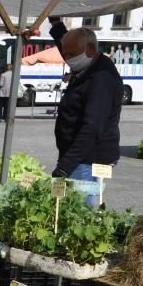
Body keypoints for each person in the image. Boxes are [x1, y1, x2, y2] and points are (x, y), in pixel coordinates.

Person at [49, 26, 122, 206]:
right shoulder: (88, 65)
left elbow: (92, 128)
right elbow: (68, 46)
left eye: (71, 54)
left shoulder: (101, 79)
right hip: (78, 156)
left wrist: (64, 167)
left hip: (87, 158)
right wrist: (56, 24)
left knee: (77, 210)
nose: (68, 59)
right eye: (65, 54)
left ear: (90, 49)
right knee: (69, 207)